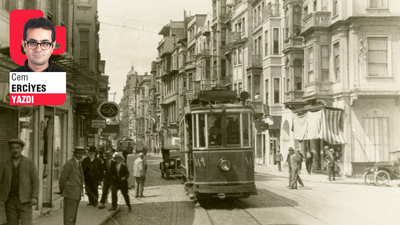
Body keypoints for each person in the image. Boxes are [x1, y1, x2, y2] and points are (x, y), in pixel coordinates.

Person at [0, 138, 39, 225]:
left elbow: (35, 181)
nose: (15, 150)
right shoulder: (5, 163)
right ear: (10, 149)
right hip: (10, 200)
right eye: (12, 148)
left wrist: (34, 196)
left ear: (22, 149)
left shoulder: (29, 163)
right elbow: (1, 180)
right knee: (12, 223)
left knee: (26, 223)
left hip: (25, 200)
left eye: (17, 148)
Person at [59, 147, 86, 225]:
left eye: (82, 154)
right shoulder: (70, 163)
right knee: (69, 216)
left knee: (72, 216)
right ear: (75, 154)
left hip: (75, 194)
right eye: (78, 154)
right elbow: (62, 179)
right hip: (70, 193)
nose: (80, 155)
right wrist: (62, 190)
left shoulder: (78, 163)